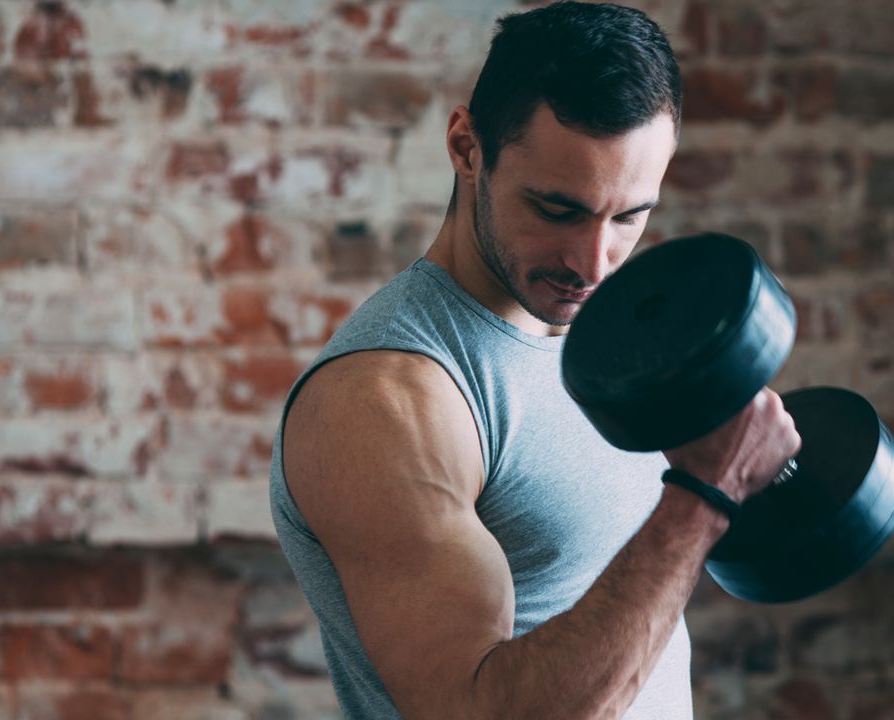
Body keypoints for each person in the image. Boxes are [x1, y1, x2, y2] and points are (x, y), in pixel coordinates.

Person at [269, 2, 801, 717]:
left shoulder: (606, 349)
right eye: (557, 210)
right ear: (466, 148)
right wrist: (704, 495)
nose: (593, 263)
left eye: (628, 217)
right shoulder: (387, 398)